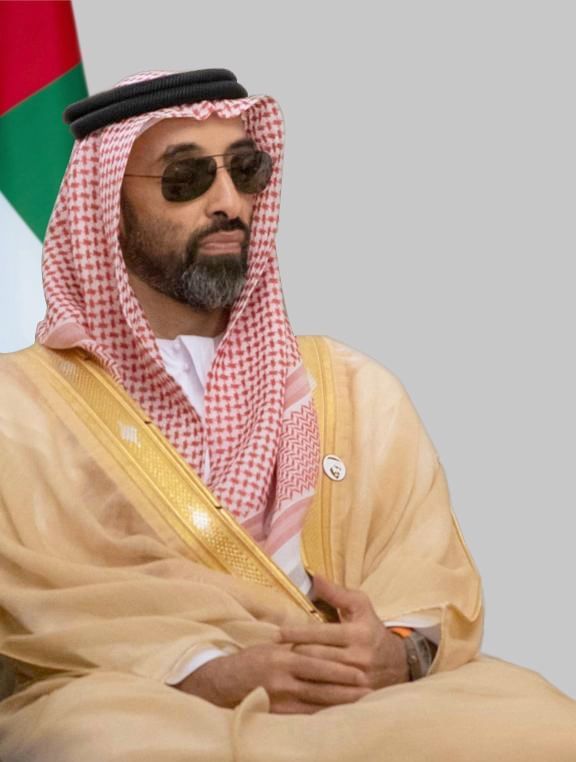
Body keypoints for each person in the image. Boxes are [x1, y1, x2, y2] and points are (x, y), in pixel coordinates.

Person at [0, 68, 573, 761]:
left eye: (245, 172)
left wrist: (393, 653)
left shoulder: (352, 388)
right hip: (143, 698)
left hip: (358, 695)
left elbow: (427, 573)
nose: (228, 202)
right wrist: (205, 671)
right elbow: (29, 602)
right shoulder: (19, 407)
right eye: (185, 178)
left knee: (543, 728)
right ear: (104, 206)